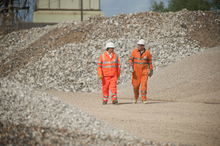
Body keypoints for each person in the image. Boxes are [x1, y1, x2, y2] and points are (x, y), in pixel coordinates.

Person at [129, 39, 153, 104]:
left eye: (139, 45)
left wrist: (151, 70)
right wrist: (130, 67)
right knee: (135, 85)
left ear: (143, 46)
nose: (138, 46)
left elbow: (150, 62)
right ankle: (135, 97)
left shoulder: (147, 53)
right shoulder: (134, 51)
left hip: (144, 71)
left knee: (143, 85)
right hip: (136, 72)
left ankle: (143, 99)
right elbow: (130, 60)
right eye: (138, 45)